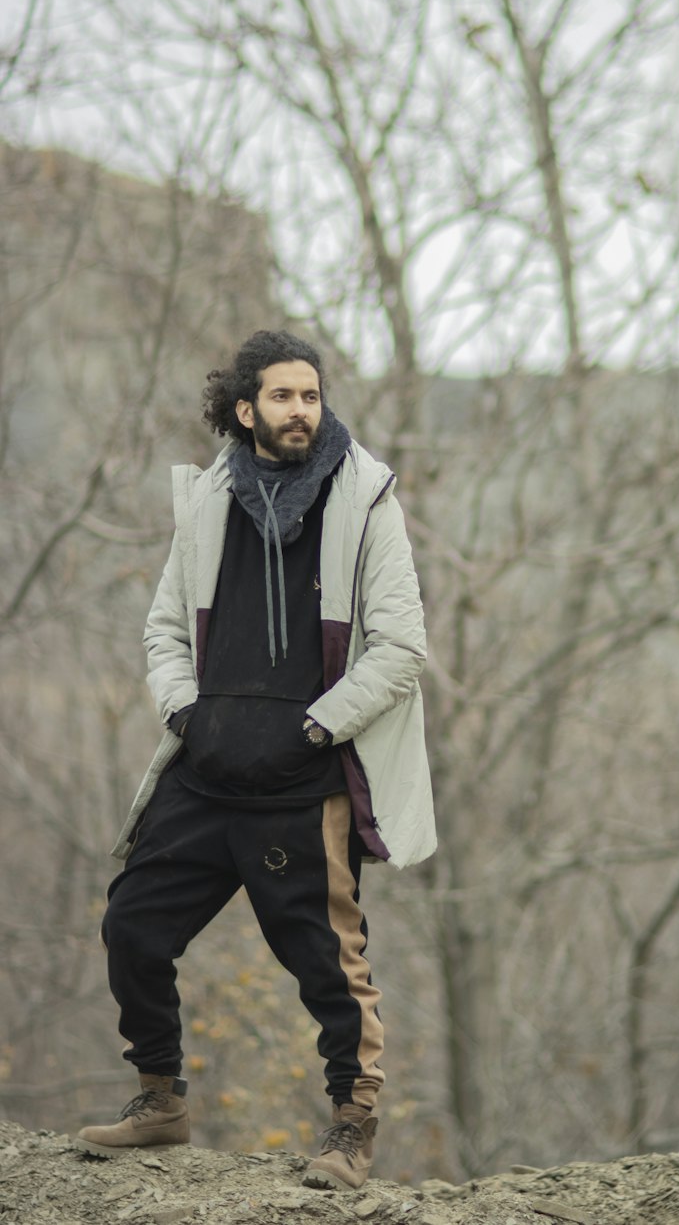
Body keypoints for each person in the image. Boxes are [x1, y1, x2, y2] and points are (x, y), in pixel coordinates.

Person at [77, 329, 435, 1190]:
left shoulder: (366, 502)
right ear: (246, 409)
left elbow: (402, 648)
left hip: (304, 788)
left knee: (328, 968)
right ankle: (160, 1100)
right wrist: (184, 713)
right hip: (203, 775)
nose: (300, 411)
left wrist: (314, 729)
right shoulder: (206, 501)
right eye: (282, 397)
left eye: (311, 396)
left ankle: (350, 1130)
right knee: (133, 926)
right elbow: (165, 631)